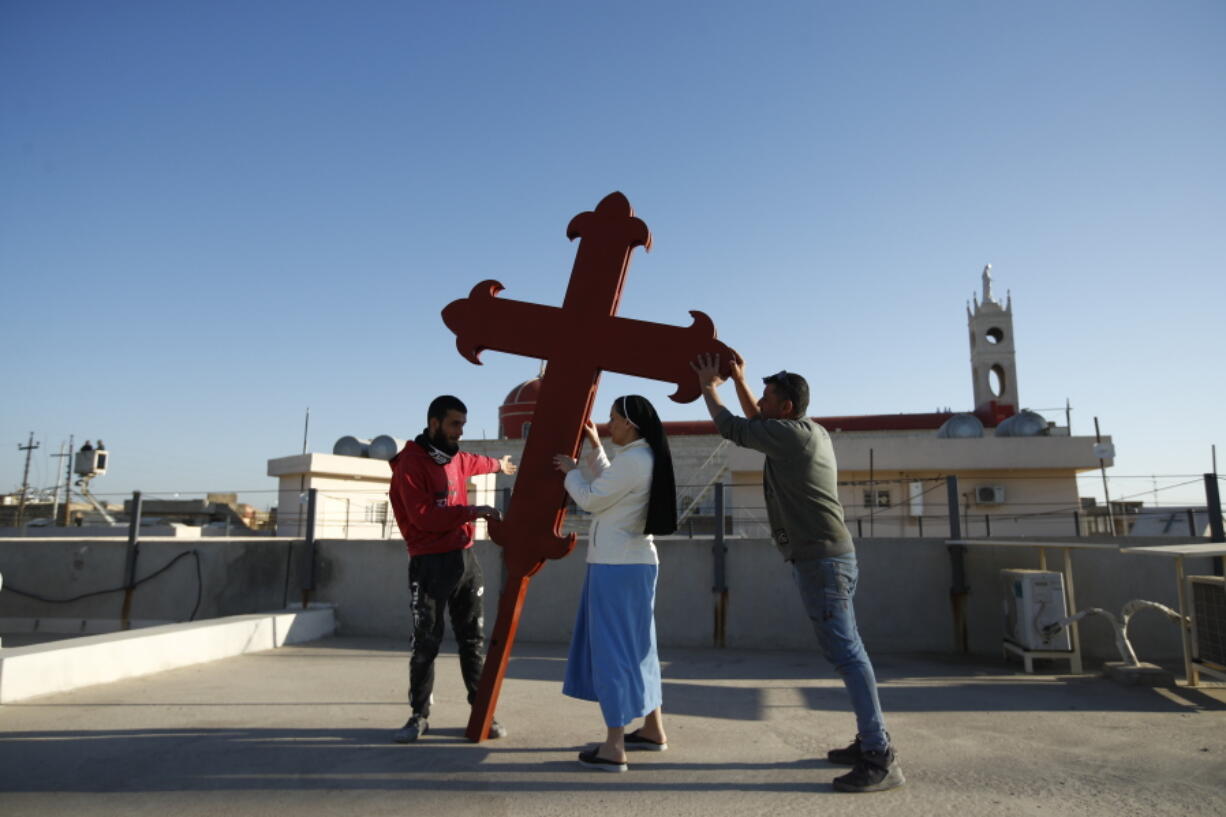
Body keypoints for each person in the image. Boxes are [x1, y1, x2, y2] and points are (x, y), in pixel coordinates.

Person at [691, 353, 905, 793]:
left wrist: (708, 387)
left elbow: (735, 427)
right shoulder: (804, 431)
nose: (763, 402)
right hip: (827, 559)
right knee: (848, 653)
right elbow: (754, 419)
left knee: (848, 655)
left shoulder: (790, 437)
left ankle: (879, 755)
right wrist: (741, 382)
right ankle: (869, 737)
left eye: (769, 396)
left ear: (785, 408)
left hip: (822, 563)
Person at [552, 395, 676, 773]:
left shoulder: (635, 461)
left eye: (613, 419)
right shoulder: (641, 458)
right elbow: (612, 488)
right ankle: (653, 728)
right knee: (639, 648)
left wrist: (571, 471)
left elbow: (591, 499)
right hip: (632, 564)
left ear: (631, 424)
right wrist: (594, 447)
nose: (608, 425)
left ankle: (614, 746)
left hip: (615, 566)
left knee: (614, 653)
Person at [388, 394, 518, 743]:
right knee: (426, 643)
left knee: (473, 641)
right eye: (454, 424)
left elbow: (476, 462)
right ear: (434, 424)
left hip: (465, 561)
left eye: (463, 424)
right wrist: (472, 511)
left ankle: (482, 714)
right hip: (429, 564)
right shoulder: (410, 464)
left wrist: (499, 465)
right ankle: (418, 716)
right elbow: (424, 517)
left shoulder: (457, 457)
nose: (460, 432)